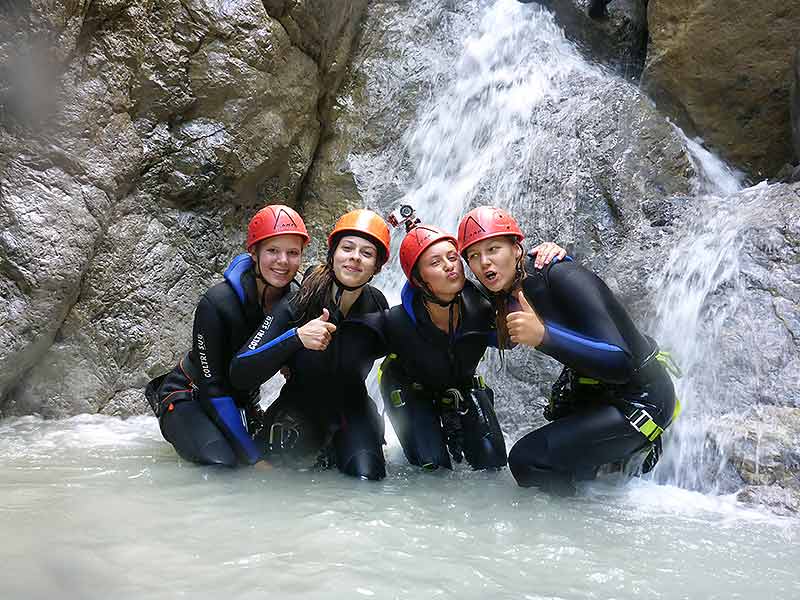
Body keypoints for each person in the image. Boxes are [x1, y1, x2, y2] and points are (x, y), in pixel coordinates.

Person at [457, 206, 680, 495]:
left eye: (493, 248)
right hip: (599, 394)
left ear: (516, 248)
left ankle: (579, 528)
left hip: (642, 401)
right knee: (570, 463)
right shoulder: (506, 292)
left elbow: (621, 362)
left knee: (527, 461)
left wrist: (544, 337)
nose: (485, 262)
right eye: (474, 256)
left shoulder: (561, 275)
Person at [378, 219, 566, 471]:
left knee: (493, 463)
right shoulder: (397, 322)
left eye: (453, 257)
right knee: (432, 468)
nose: (450, 266)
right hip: (411, 390)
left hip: (461, 384)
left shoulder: (482, 304)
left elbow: (517, 282)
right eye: (435, 263)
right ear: (419, 281)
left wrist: (549, 258)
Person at [229, 209, 391, 480]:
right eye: (347, 248)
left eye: (366, 253)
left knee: (369, 481)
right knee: (279, 484)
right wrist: (295, 339)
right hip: (300, 410)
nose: (354, 257)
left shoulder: (377, 305)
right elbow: (240, 370)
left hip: (354, 412)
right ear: (333, 255)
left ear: (377, 266)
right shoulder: (298, 303)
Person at [144, 204, 309, 467]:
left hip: (242, 400)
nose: (283, 261)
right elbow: (213, 389)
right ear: (253, 253)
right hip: (192, 396)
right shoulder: (218, 303)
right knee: (223, 464)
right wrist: (253, 459)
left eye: (293, 253)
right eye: (272, 251)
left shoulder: (297, 302)